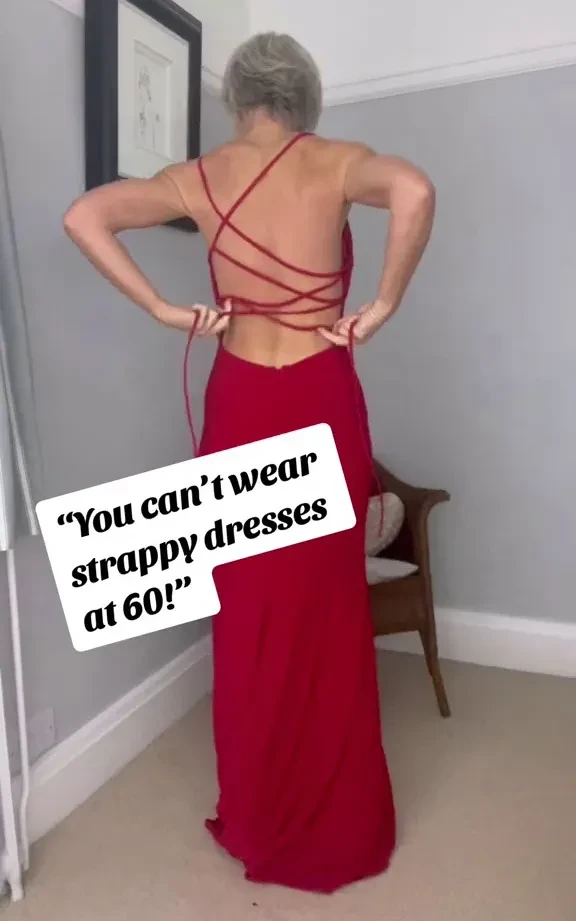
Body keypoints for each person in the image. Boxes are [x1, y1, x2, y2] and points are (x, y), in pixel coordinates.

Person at [63, 32, 435, 893]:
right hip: (316, 396)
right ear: (303, 96)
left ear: (237, 98)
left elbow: (83, 216)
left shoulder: (199, 176)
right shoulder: (336, 161)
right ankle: (336, 822)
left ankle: (260, 813)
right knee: (325, 608)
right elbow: (415, 189)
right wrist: (382, 303)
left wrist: (163, 309)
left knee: (247, 612)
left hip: (241, 402)